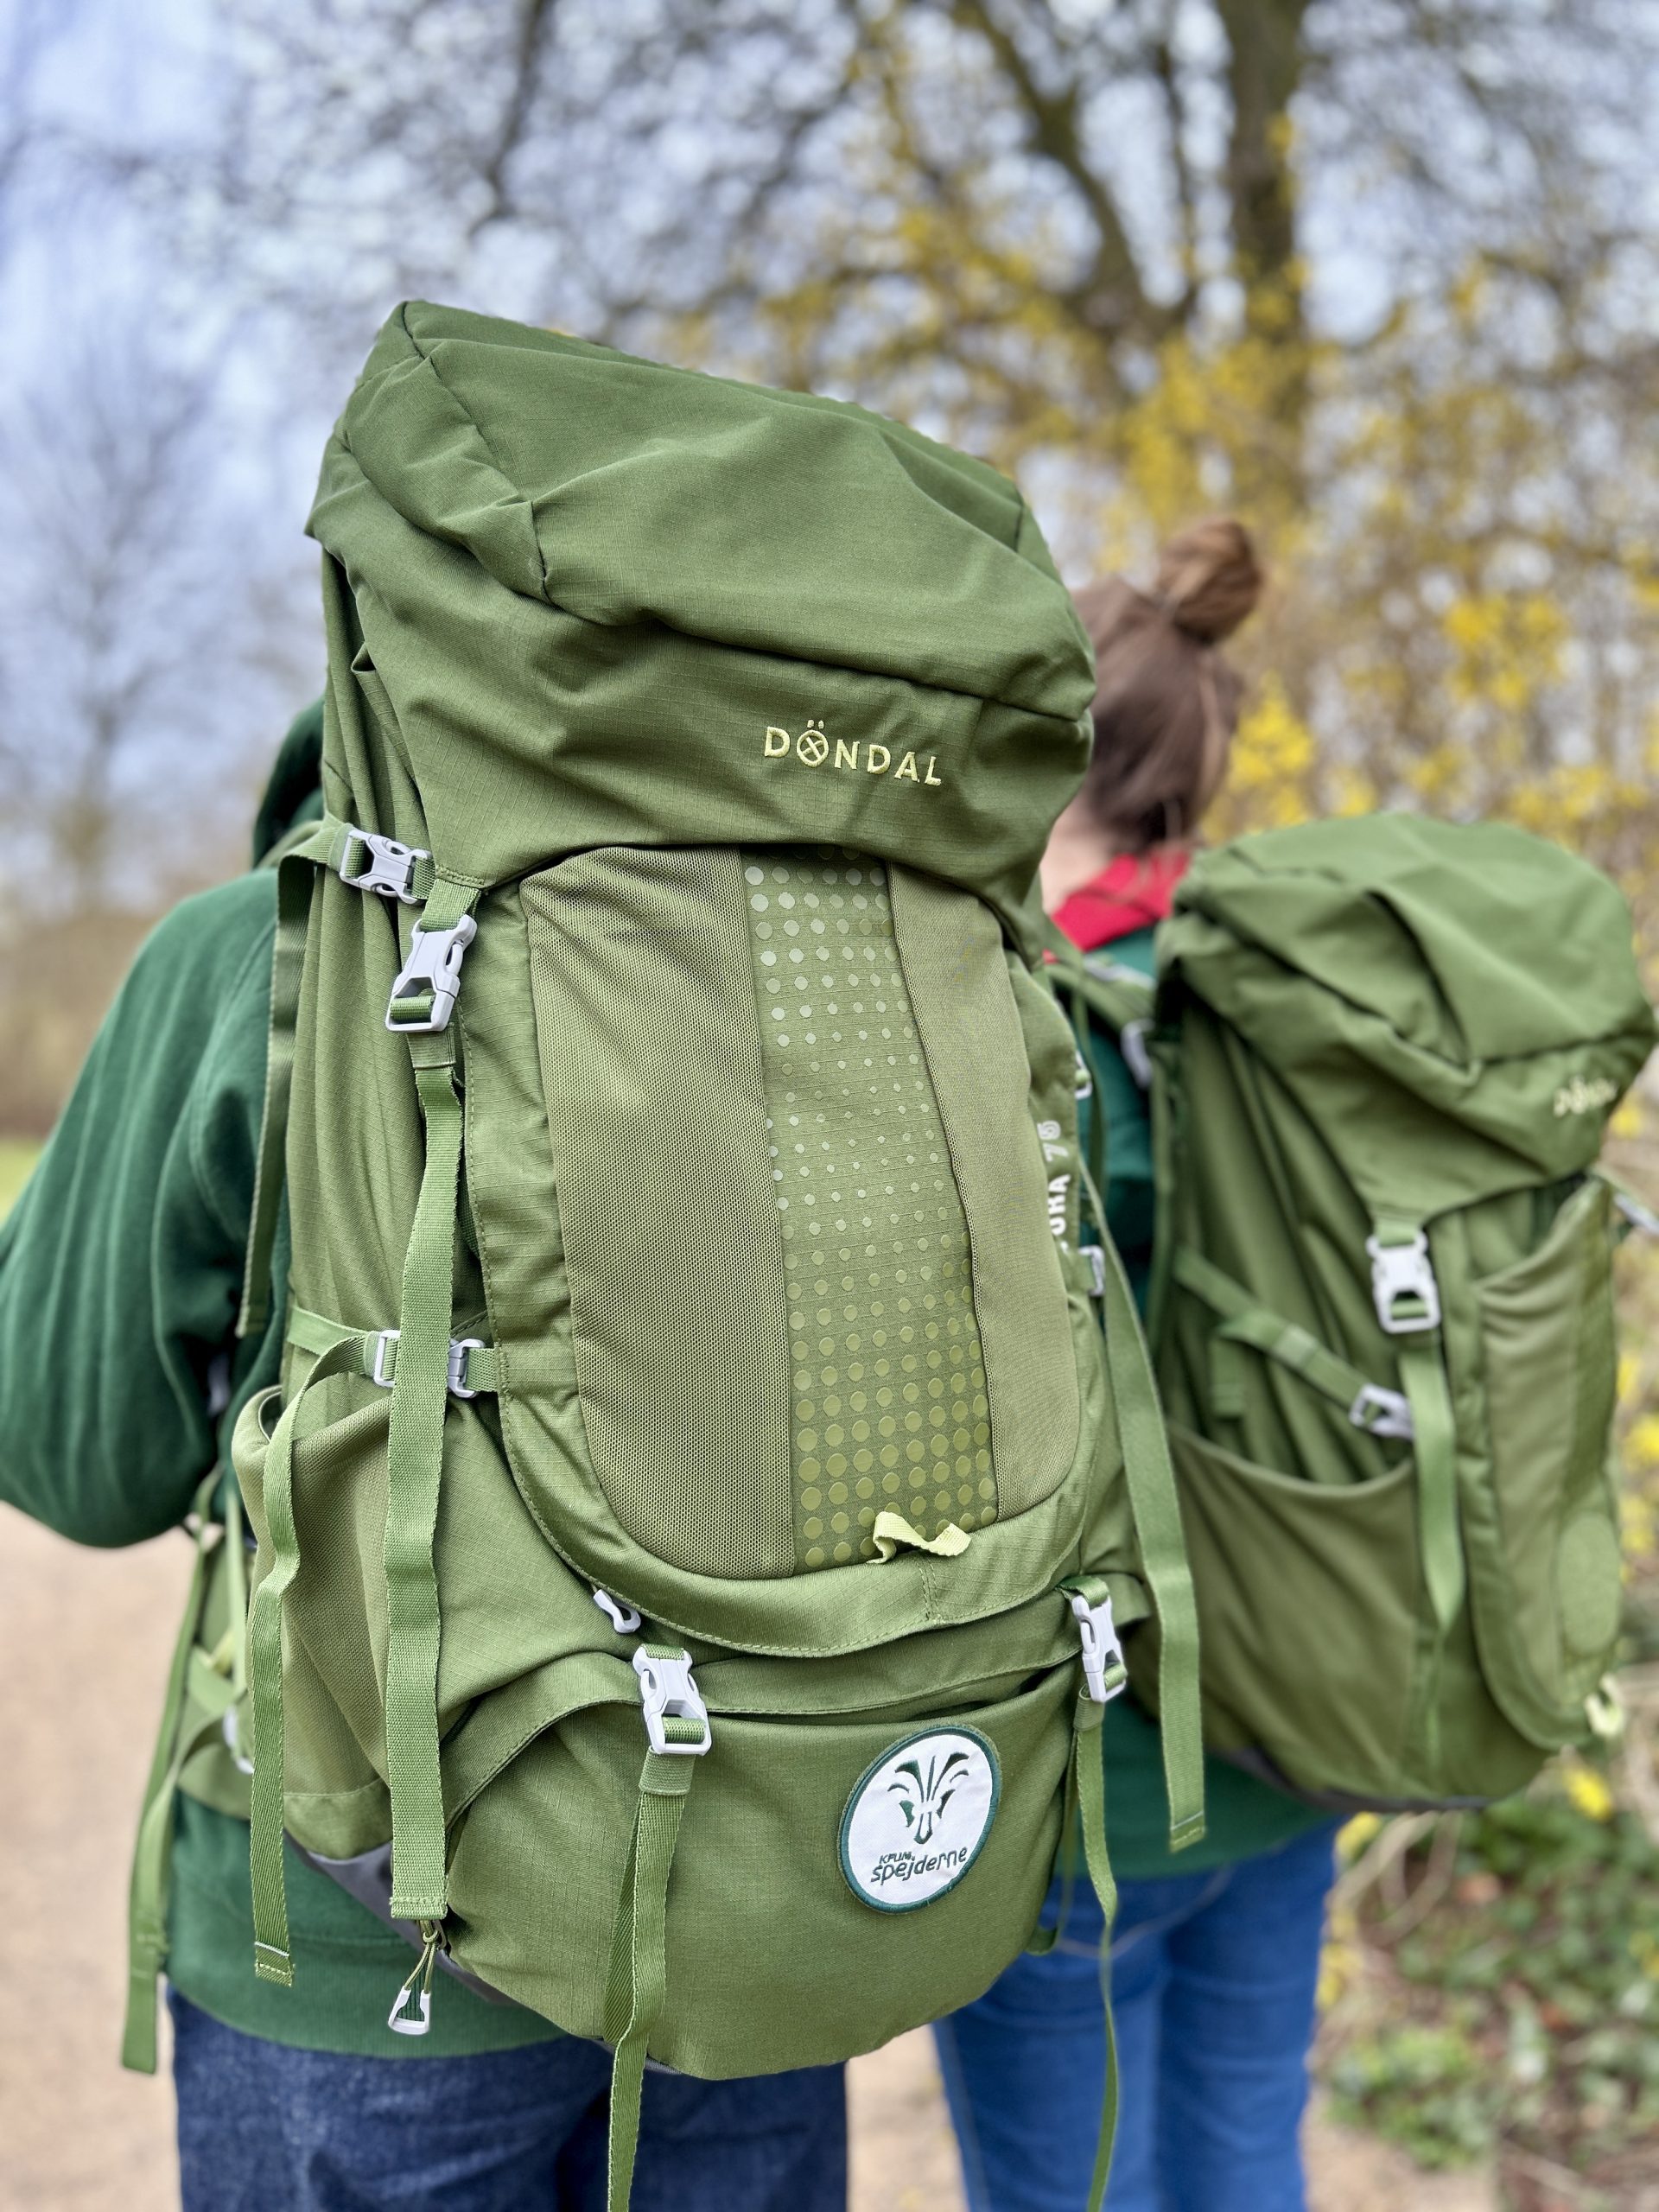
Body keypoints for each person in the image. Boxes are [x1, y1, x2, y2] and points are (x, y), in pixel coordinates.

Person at [0, 702, 846, 2212]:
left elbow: (80, 1457)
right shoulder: (827, 948)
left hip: (366, 1940)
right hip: (756, 1882)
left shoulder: (252, 953)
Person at [934, 519, 1340, 2212]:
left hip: (1087, 1777)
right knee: (1245, 2153)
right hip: (1298, 1728)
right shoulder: (1298, 1001)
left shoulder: (1035, 1024)